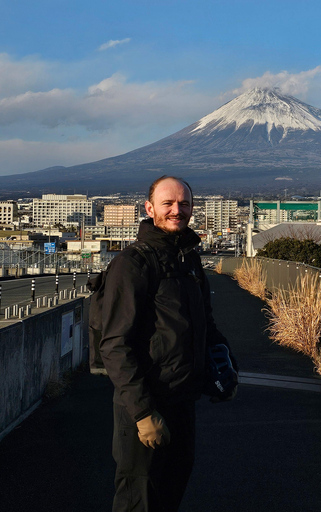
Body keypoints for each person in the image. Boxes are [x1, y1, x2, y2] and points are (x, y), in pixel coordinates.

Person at [100, 175, 236, 512]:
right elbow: (115, 345)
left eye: (184, 203)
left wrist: (224, 368)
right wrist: (143, 412)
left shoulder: (188, 262)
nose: (177, 210)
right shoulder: (132, 263)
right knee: (139, 499)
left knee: (169, 494)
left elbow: (205, 325)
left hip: (182, 403)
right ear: (149, 208)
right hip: (146, 405)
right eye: (168, 203)